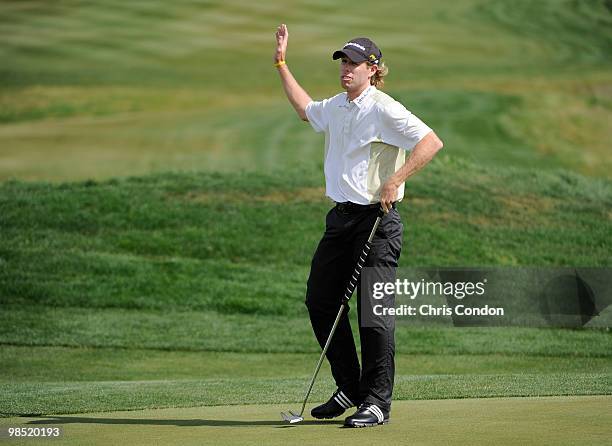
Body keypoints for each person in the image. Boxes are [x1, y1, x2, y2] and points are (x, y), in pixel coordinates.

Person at [273, 24, 443, 427]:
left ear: (373, 68)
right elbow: (304, 109)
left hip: (377, 223)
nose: (346, 68)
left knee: (374, 312)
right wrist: (280, 62)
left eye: (354, 62)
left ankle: (377, 403)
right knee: (320, 301)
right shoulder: (337, 106)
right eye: (343, 62)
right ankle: (350, 386)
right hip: (341, 221)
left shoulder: (384, 108)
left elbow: (430, 141)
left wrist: (396, 179)